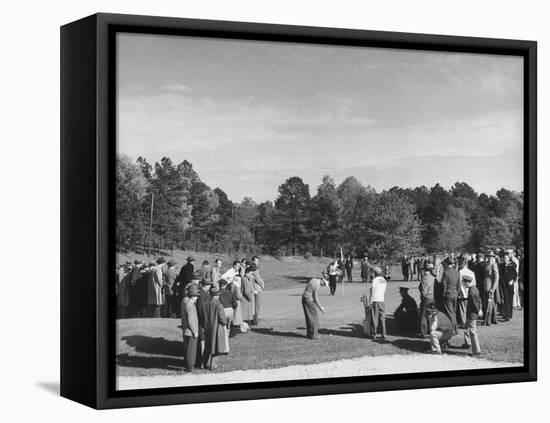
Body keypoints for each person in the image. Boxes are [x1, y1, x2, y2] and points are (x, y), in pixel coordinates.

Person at [201, 285, 227, 370]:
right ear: (217, 295)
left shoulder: (205, 304)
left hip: (207, 328)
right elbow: (223, 320)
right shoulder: (219, 305)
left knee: (207, 347)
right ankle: (213, 365)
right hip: (217, 329)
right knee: (216, 348)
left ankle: (203, 364)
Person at [302, 272, 328, 339]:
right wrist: (321, 308)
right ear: (322, 280)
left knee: (309, 318)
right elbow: (316, 298)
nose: (323, 285)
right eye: (324, 283)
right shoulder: (317, 285)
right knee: (315, 318)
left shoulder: (314, 279)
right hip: (309, 300)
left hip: (304, 299)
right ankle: (314, 335)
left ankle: (309, 334)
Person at [181, 284, 200, 372]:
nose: (197, 298)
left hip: (187, 331)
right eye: (196, 296)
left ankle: (189, 366)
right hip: (191, 331)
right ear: (193, 297)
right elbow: (191, 320)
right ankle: (190, 367)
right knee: (191, 351)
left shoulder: (186, 303)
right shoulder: (190, 305)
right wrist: (195, 331)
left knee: (188, 350)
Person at [439, 256, 460, 334]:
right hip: (455, 295)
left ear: (447, 264)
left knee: (449, 313)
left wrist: (443, 295)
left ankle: (453, 330)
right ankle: (455, 329)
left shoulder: (446, 273)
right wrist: (456, 293)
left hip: (448, 295)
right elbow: (459, 286)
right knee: (453, 313)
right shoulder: (457, 273)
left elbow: (443, 286)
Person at [462, 274, 482, 355]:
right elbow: (479, 301)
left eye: (464, 283)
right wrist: (480, 309)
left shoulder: (471, 291)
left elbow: (474, 303)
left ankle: (476, 350)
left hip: (472, 314)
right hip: (471, 313)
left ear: (467, 282)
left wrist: (478, 311)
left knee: (473, 332)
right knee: (466, 328)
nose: (464, 284)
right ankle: (467, 343)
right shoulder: (475, 288)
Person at [457, 254, 475, 329]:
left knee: (462, 310)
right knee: (468, 310)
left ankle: (464, 323)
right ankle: (468, 322)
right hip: (470, 293)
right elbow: (474, 284)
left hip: (463, 294)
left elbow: (459, 284)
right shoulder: (471, 272)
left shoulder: (460, 272)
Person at [418, 261, 436, 337]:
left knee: (423, 316)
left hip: (426, 298)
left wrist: (422, 297)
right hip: (433, 298)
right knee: (431, 316)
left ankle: (423, 332)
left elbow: (424, 291)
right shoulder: (433, 277)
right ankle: (430, 330)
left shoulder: (425, 278)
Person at [482, 250, 500, 326]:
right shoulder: (486, 264)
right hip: (485, 285)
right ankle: (491, 319)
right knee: (488, 303)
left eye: (491, 257)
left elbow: (497, 278)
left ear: (493, 257)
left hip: (491, 287)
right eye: (488, 256)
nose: (489, 258)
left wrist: (493, 288)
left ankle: (487, 320)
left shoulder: (494, 265)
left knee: (489, 304)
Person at [369, 266, 387, 339]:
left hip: (375, 300)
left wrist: (370, 301)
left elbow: (372, 291)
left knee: (374, 317)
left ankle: (374, 333)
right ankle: (384, 333)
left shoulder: (375, 280)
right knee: (382, 317)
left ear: (375, 273)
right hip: (382, 299)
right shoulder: (384, 280)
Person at [501, 255, 518, 321]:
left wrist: (512, 280)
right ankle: (505, 314)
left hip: (510, 284)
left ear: (508, 259)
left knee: (510, 299)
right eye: (504, 258)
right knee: (505, 299)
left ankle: (509, 315)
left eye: (506, 258)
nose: (505, 259)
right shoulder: (502, 266)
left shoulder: (512, 265)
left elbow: (515, 274)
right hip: (504, 284)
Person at [250, 256, 265, 326]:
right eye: (256, 261)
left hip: (256, 288)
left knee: (256, 306)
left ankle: (254, 319)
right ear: (252, 261)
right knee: (257, 306)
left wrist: (262, 282)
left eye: (258, 261)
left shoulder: (254, 268)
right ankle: (255, 320)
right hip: (256, 288)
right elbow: (257, 278)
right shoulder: (254, 268)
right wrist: (262, 284)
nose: (257, 263)